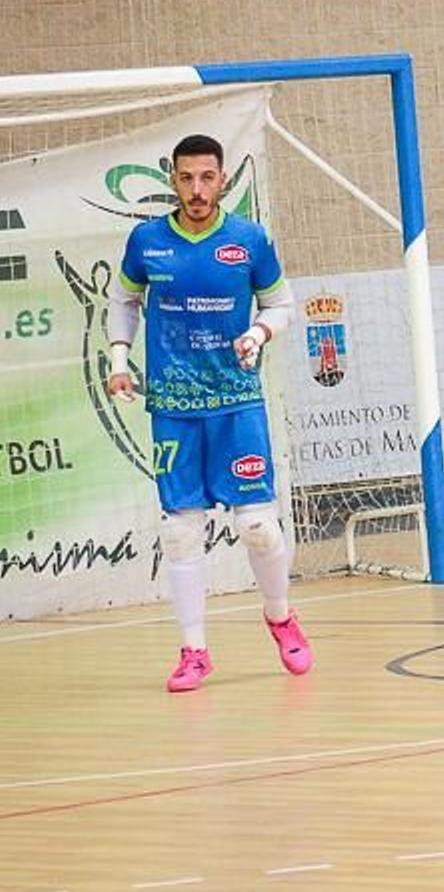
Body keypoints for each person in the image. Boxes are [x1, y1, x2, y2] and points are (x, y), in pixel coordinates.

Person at [107, 133, 313, 693]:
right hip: (173, 409)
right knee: (180, 533)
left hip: (237, 403)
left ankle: (279, 616)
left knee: (258, 528)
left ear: (223, 180)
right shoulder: (146, 241)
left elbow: (282, 305)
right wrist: (120, 357)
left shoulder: (249, 240)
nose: (196, 189)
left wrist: (258, 331)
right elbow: (123, 300)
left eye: (207, 177)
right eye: (185, 178)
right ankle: (194, 651)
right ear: (172, 180)